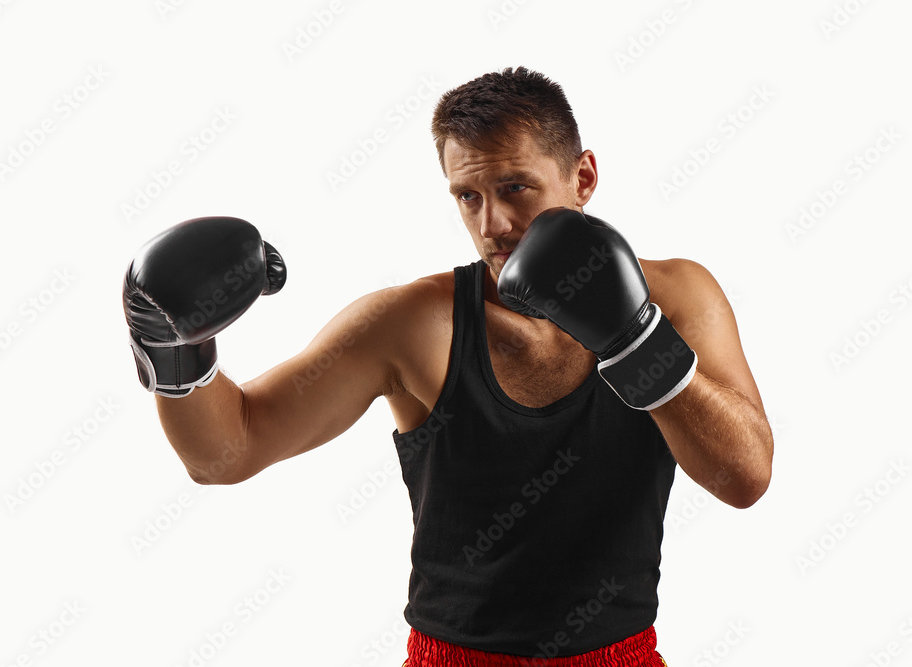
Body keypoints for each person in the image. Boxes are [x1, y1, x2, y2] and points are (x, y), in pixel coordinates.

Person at [122, 66, 773, 667]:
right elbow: (227, 450)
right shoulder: (415, 325)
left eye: (515, 188)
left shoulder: (680, 297)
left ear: (583, 177)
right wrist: (171, 350)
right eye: (468, 196)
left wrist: (636, 340)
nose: (493, 224)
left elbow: (746, 476)